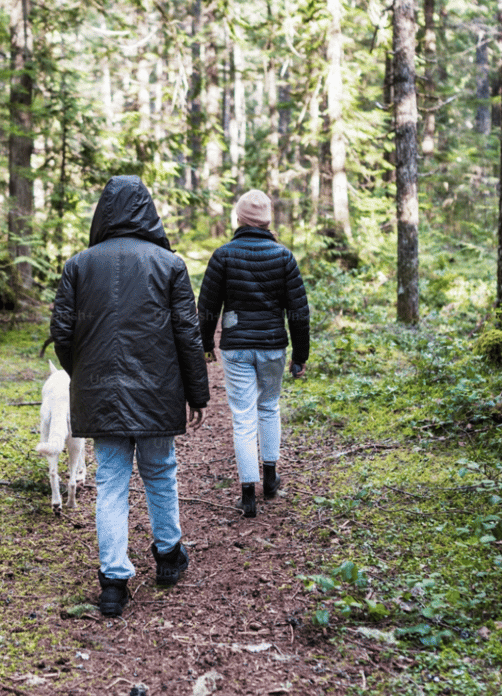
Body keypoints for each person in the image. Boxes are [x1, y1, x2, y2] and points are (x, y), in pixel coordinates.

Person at [50, 176, 210, 617]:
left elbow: (62, 334)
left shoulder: (78, 265)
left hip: (99, 392)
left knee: (112, 484)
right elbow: (187, 335)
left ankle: (114, 583)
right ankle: (167, 556)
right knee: (160, 472)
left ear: (103, 212)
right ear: (148, 211)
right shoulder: (169, 264)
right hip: (158, 392)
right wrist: (197, 393)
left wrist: (83, 373)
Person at [197, 189, 310, 519]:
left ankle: (248, 495)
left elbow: (206, 308)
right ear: (267, 220)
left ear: (239, 218)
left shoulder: (223, 256)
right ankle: (271, 478)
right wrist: (299, 356)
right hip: (274, 346)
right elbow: (299, 313)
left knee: (243, 417)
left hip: (235, 348)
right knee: (269, 406)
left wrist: (205, 346)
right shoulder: (284, 256)